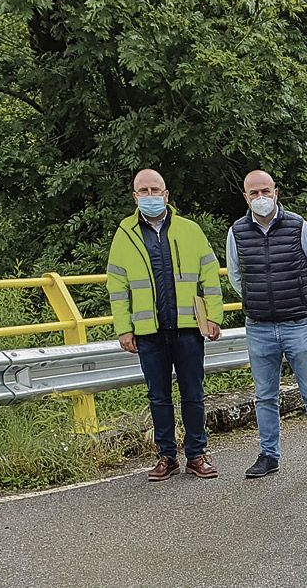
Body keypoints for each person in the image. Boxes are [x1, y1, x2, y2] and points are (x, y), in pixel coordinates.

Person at [107, 169, 224, 482]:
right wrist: (124, 328)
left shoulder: (189, 230)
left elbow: (209, 277)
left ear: (166, 194)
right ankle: (166, 456)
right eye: (143, 191)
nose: (149, 196)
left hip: (187, 328)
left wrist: (214, 316)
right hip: (149, 332)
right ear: (134, 197)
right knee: (158, 397)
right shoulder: (125, 234)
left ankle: (197, 455)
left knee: (193, 394)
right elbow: (117, 287)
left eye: (154, 189)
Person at [226, 170, 307, 479]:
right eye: (253, 193)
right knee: (264, 396)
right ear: (246, 197)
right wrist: (259, 299)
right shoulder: (236, 232)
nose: (260, 198)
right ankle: (269, 455)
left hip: (297, 323)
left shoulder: (299, 226)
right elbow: (237, 277)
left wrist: (298, 298)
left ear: (276, 192)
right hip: (259, 326)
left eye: (265, 191)